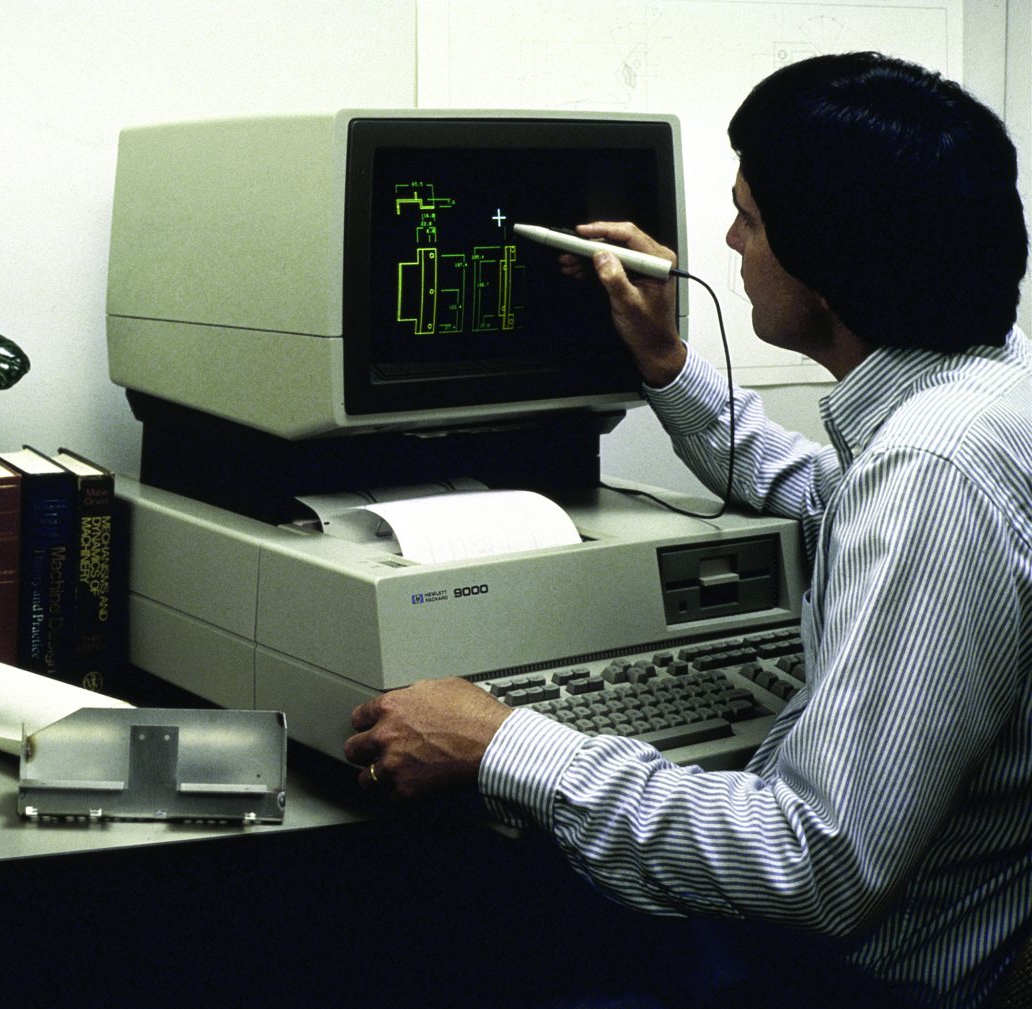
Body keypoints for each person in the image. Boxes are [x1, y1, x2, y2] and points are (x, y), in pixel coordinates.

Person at [343, 51, 1031, 1009]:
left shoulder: (933, 468)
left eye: (747, 215)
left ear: (826, 262)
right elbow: (834, 495)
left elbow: (815, 862)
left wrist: (503, 740)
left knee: (439, 927)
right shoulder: (991, 395)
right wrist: (668, 362)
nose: (727, 240)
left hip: (862, 982)